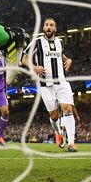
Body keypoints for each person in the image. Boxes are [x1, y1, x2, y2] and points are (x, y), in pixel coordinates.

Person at [23, 18, 77, 151]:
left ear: (55, 29)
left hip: (61, 82)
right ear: (43, 28)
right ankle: (58, 133)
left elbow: (61, 56)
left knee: (67, 108)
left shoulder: (60, 42)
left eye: (51, 25)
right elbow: (24, 58)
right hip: (45, 85)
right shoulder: (37, 42)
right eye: (46, 25)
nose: (49, 27)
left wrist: (68, 60)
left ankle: (71, 143)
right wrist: (34, 67)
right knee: (54, 116)